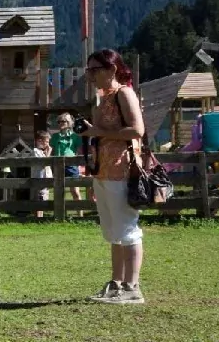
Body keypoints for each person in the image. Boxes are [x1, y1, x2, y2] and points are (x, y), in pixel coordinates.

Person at [78, 49, 146, 304]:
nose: (91, 75)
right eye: (89, 70)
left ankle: (132, 287)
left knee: (128, 228)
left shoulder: (124, 93)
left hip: (121, 168)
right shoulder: (100, 97)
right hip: (102, 169)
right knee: (113, 230)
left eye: (95, 70)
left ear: (112, 69)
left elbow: (137, 130)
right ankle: (117, 283)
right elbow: (100, 131)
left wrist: (97, 131)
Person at [52, 113, 85, 217]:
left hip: (71, 165)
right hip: (58, 164)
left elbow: (79, 151)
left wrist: (80, 165)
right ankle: (61, 215)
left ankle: (80, 215)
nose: (61, 123)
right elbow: (51, 150)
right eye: (59, 122)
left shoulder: (75, 136)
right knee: (59, 190)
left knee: (75, 190)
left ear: (69, 123)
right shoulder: (55, 136)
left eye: (63, 121)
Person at [33, 130, 53, 218]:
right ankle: (38, 218)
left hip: (45, 179)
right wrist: (48, 153)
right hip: (39, 178)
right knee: (40, 198)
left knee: (44, 198)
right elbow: (44, 163)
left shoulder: (41, 152)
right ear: (39, 141)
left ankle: (41, 217)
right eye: (47, 142)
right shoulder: (35, 151)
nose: (48, 144)